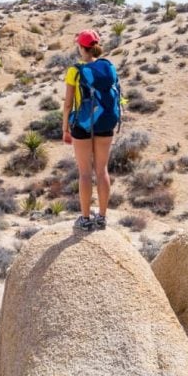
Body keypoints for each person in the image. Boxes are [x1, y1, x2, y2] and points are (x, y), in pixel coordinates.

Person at [62, 29, 122, 231]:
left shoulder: (75, 71)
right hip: (105, 122)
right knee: (102, 169)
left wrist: (65, 129)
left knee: (85, 173)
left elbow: (68, 104)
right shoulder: (108, 67)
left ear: (81, 47)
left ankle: (86, 219)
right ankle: (102, 217)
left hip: (82, 124)